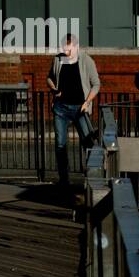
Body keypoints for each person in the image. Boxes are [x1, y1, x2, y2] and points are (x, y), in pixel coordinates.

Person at [46, 33, 100, 198]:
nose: (66, 52)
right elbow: (49, 78)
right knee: (60, 145)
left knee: (88, 142)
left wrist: (87, 102)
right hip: (61, 108)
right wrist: (54, 89)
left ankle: (91, 178)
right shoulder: (58, 59)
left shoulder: (86, 60)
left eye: (68, 50)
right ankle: (64, 179)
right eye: (64, 49)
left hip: (79, 109)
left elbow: (96, 84)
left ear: (76, 46)